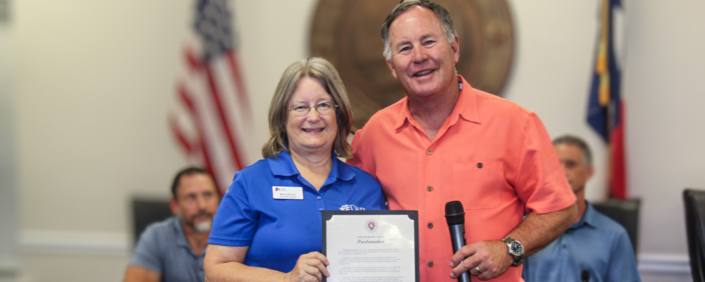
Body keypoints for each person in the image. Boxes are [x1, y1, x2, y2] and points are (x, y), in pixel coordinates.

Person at [347, 1, 578, 281]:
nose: (419, 56)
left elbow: (561, 209)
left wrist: (509, 249)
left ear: (454, 48)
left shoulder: (516, 123)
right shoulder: (374, 134)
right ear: (392, 67)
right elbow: (350, 213)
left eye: (428, 41)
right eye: (405, 48)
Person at [203, 57, 387, 282]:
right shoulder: (251, 183)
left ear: (339, 114)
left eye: (324, 105)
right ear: (283, 117)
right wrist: (286, 279)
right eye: (300, 107)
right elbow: (215, 268)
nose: (313, 117)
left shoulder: (367, 187)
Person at [522, 135, 641, 282]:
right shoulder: (524, 229)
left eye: (571, 164)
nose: (562, 172)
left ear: (589, 172)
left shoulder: (615, 235)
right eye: (555, 165)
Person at [123, 167, 221, 282]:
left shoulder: (237, 234)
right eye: (191, 197)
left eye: (208, 195)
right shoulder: (157, 236)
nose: (202, 206)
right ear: (174, 206)